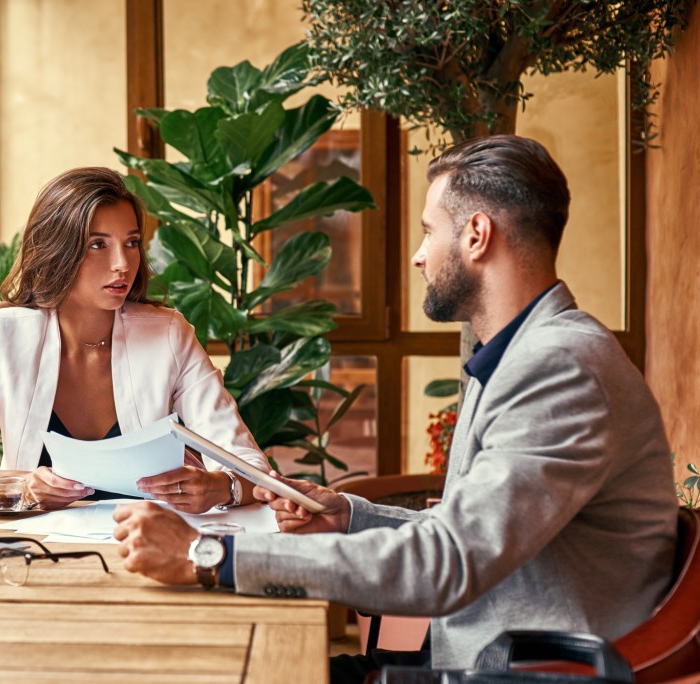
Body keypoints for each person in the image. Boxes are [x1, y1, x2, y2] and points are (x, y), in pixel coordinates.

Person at [112, 135, 679, 678]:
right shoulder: (521, 352)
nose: (417, 256)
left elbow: (449, 563)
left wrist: (211, 554)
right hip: (476, 659)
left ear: (477, 235)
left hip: (523, 674)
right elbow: (470, 532)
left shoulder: (559, 370)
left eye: (430, 232)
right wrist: (350, 517)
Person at [0, 167, 266, 513]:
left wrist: (221, 488)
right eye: (98, 244)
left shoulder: (168, 335)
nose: (122, 263)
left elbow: (253, 470)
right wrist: (20, 484)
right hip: (33, 554)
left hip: (148, 550)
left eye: (131, 242)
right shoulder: (5, 336)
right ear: (57, 251)